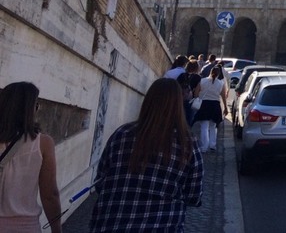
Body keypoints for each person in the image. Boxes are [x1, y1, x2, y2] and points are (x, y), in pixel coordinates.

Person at [89, 78, 203, 233]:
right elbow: (193, 196)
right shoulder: (187, 144)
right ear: (178, 106)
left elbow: (101, 180)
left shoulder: (121, 134)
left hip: (110, 224)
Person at [0, 82, 62, 233]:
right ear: (29, 109)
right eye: (36, 104)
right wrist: (56, 229)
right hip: (24, 227)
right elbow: (50, 195)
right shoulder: (43, 144)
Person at [193, 65, 228, 152]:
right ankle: (213, 145)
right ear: (219, 74)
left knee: (204, 127)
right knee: (213, 126)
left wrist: (199, 98)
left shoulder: (202, 81)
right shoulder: (221, 83)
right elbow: (223, 97)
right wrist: (226, 108)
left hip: (204, 104)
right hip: (215, 105)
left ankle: (204, 146)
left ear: (210, 72)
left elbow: (196, 93)